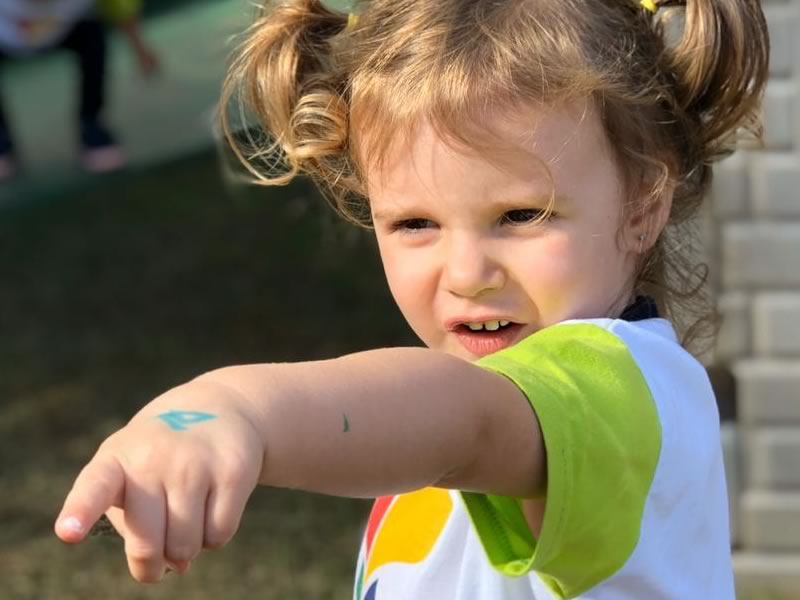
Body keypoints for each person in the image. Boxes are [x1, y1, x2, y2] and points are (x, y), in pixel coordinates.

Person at [54, 0, 769, 598]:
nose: (466, 272)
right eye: (414, 224)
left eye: (522, 215)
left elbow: (467, 421)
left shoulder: (627, 390)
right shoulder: (433, 449)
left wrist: (242, 409)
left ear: (644, 201)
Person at [0, 0, 158, 181]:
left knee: (92, 35)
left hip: (66, 28)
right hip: (5, 36)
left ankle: (92, 126)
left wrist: (139, 48)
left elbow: (120, 8)